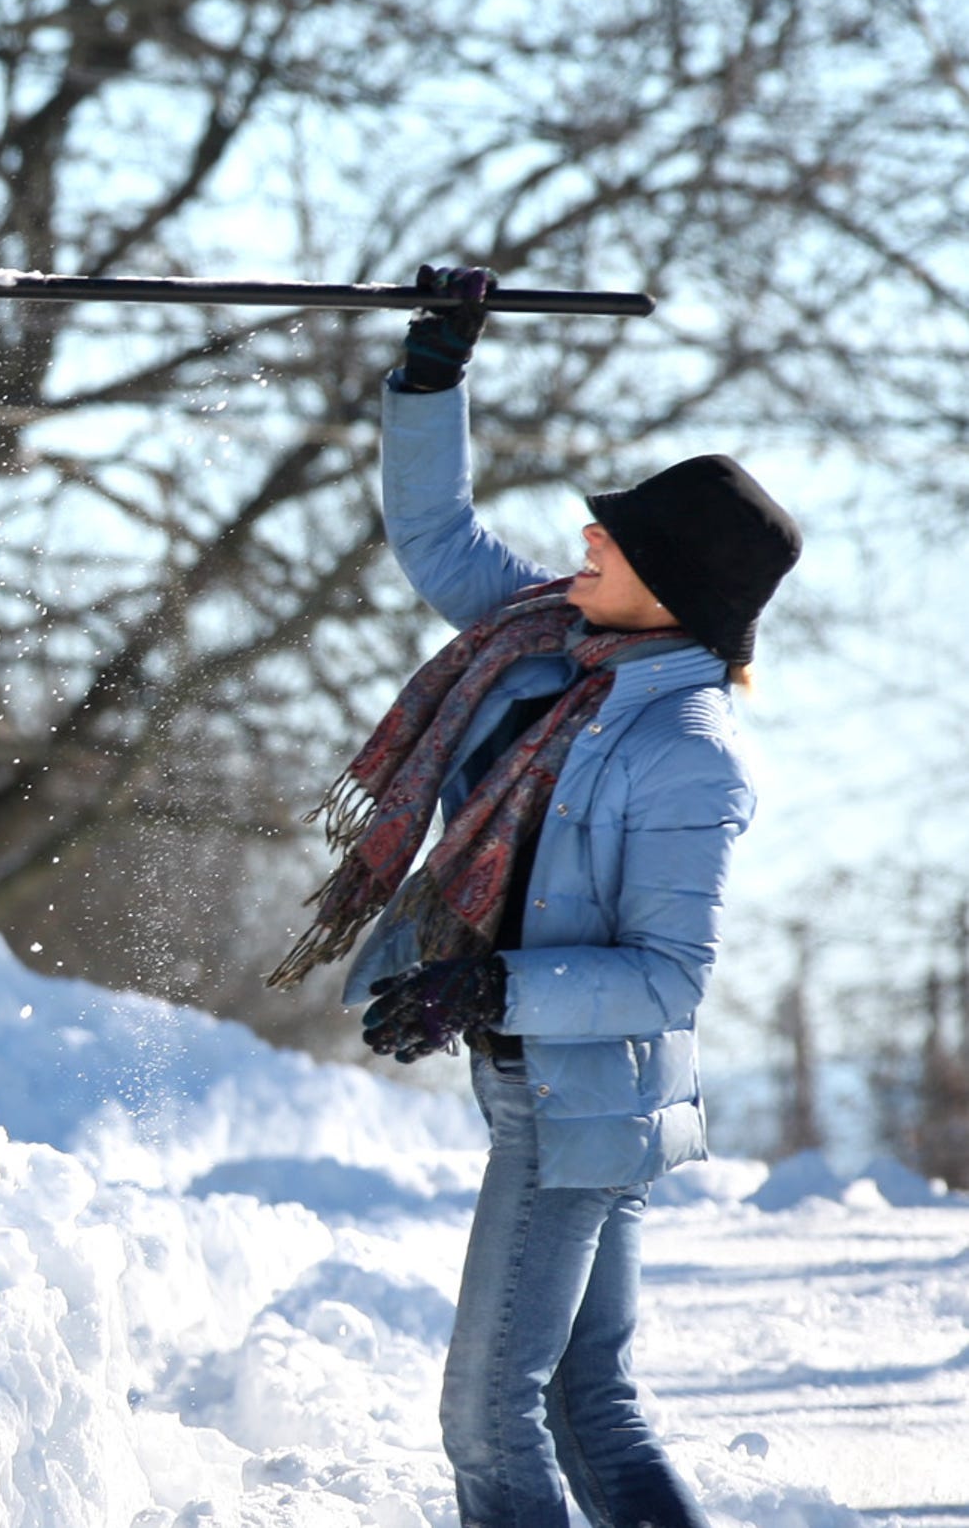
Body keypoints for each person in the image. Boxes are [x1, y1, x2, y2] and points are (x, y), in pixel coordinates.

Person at [271, 266, 802, 1528]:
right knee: (587, 1403)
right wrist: (433, 373)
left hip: (582, 1096)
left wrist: (487, 980)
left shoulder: (688, 750)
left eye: (612, 540)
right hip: (542, 1080)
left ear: (671, 591)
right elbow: (434, 533)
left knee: (488, 1415)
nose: (585, 540)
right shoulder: (542, 645)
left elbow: (669, 976)